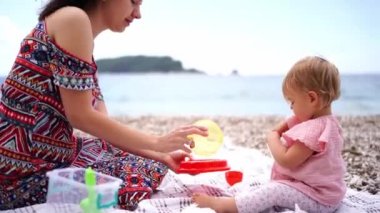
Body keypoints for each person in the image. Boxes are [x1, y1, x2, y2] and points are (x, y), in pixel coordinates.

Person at [0, 0, 208, 210]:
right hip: (17, 172)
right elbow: (80, 116)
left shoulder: (82, 37)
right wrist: (157, 142)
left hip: (52, 154)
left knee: (149, 166)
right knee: (132, 182)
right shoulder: (72, 19)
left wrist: (162, 155)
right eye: (134, 2)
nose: (138, 14)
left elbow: (103, 126)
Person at [192, 56, 347, 213]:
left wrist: (272, 138)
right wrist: (284, 125)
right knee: (267, 188)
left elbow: (287, 160)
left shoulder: (313, 130)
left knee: (275, 191)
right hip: (328, 196)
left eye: (292, 102)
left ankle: (225, 206)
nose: (291, 108)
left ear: (312, 98)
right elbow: (290, 124)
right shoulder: (327, 123)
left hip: (318, 200)